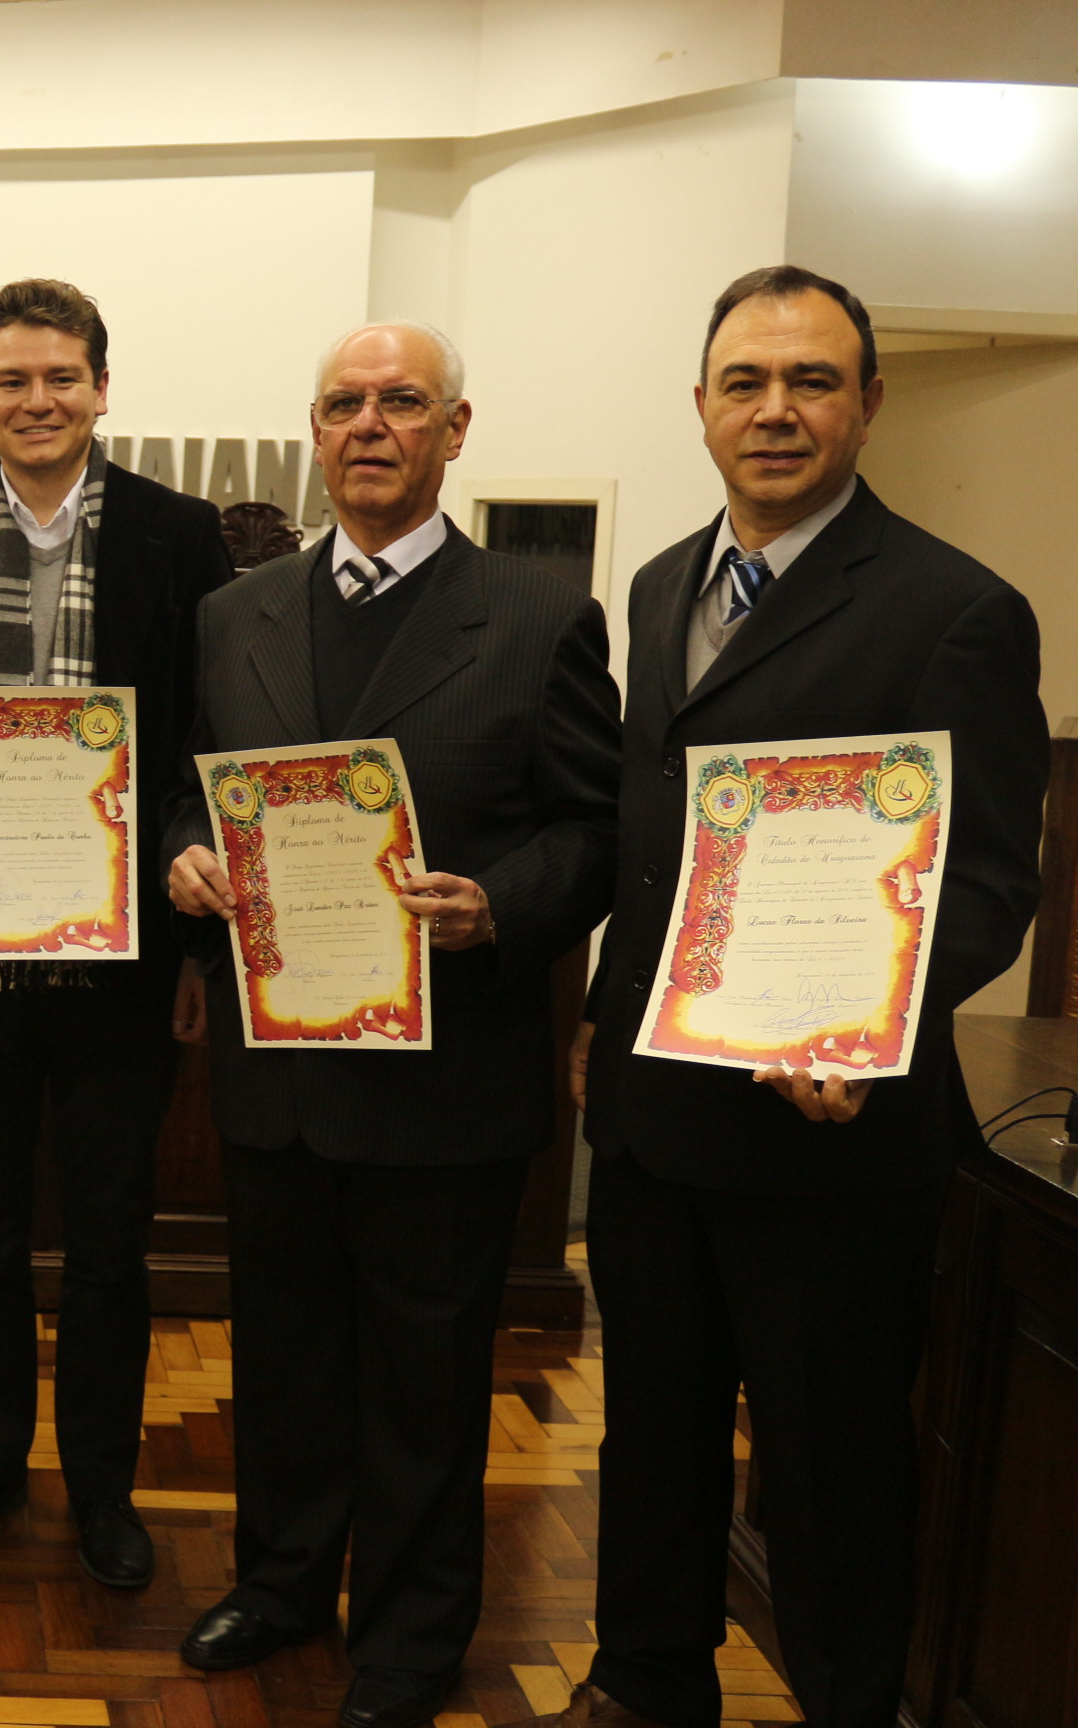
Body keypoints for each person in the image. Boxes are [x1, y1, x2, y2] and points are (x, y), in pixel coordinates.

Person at [512, 268, 1047, 1728]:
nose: (776, 409)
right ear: (700, 407)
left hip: (830, 1140)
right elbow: (648, 834)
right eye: (746, 381)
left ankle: (845, 1705)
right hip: (652, 1116)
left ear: (868, 403)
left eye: (812, 381)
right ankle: (642, 1684)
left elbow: (989, 882)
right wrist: (592, 1020)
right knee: (655, 1441)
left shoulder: (957, 612)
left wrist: (872, 1032)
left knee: (831, 1472)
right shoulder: (659, 582)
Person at [160, 323, 622, 1725]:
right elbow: (196, 792)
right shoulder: (234, 615)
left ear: (454, 429)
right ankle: (284, 1578)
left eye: (402, 402)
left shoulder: (542, 616)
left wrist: (500, 905)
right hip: (279, 1069)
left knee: (425, 1381)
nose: (372, 425)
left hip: (448, 1079)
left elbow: (596, 829)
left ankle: (411, 1639)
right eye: (347, 404)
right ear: (315, 429)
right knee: (286, 1354)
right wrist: (184, 854)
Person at [0, 278, 232, 1587]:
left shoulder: (175, 535)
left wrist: (195, 940)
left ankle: (101, 1488)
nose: (38, 401)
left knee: (109, 1242)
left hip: (119, 961)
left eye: (61, 377)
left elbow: (204, 733)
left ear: (101, 387)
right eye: (12, 380)